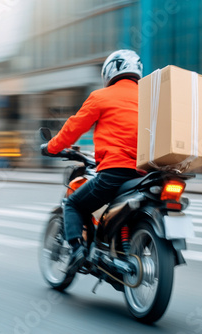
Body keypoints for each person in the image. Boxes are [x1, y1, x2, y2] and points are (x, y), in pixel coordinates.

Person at [40, 49, 144, 275]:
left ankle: (77, 251)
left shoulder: (101, 97)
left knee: (74, 204)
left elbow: (73, 127)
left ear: (109, 71)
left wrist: (51, 147)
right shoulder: (150, 99)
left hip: (115, 172)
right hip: (145, 175)